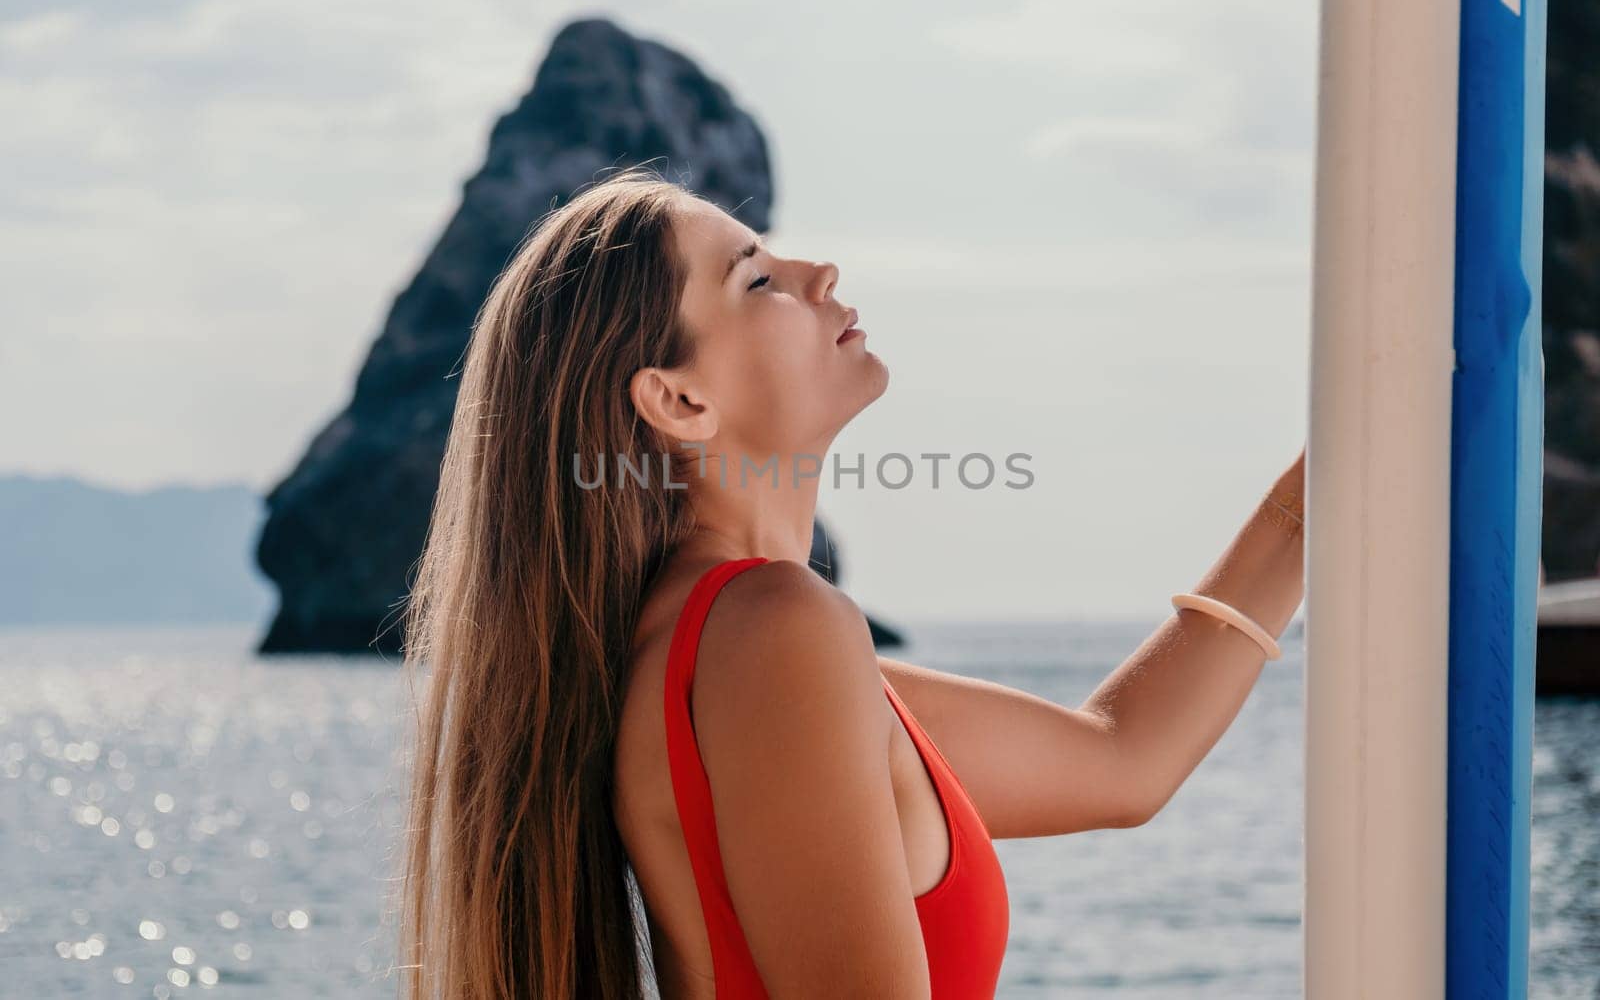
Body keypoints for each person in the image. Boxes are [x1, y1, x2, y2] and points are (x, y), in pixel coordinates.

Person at [395, 165, 1307, 999]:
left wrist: (1324, 481)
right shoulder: (772, 632)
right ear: (679, 401)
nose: (818, 271)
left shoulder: (739, 650)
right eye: (755, 279)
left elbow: (1122, 760)